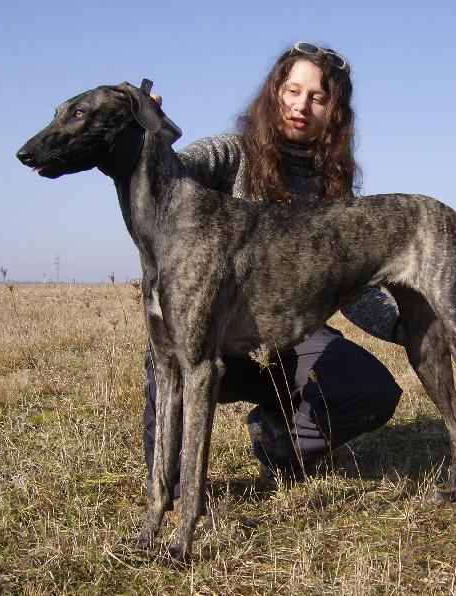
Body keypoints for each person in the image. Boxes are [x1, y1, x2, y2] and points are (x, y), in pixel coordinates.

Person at [143, 41, 403, 497]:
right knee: (175, 354)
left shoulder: (331, 189)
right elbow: (174, 176)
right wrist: (149, 134)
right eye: (292, 90)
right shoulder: (231, 154)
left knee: (372, 390)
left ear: (334, 113)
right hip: (220, 335)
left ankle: (277, 439)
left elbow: (351, 288)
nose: (301, 105)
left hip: (287, 340)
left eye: (318, 97)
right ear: (274, 93)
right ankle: (171, 483)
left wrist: (408, 327)